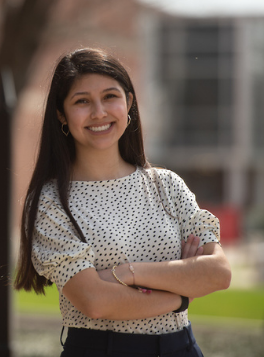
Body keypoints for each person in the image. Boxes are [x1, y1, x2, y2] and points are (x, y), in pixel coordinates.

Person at [14, 48, 231, 357]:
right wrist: (182, 293)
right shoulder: (50, 202)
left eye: (110, 96)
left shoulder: (166, 185)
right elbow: (96, 302)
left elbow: (218, 273)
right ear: (61, 114)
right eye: (82, 101)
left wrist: (128, 273)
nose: (99, 112)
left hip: (181, 348)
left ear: (129, 102)